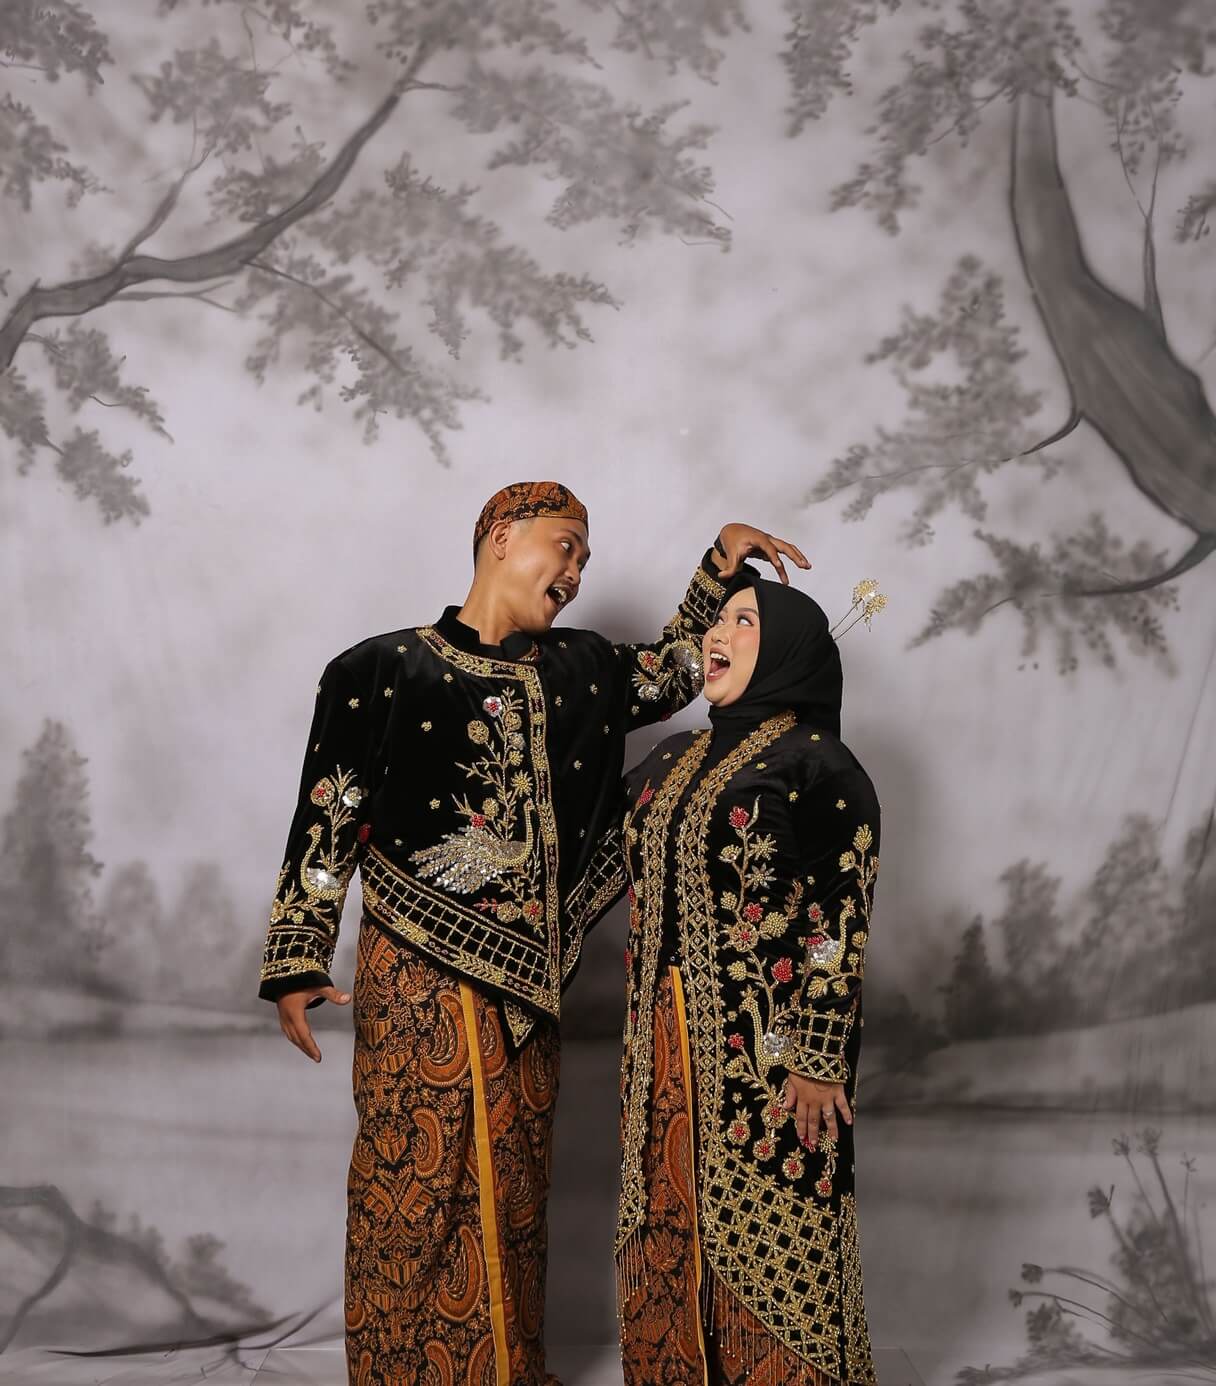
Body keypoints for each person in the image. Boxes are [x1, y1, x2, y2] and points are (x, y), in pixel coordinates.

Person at [257, 480, 809, 1386]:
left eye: (586, 558)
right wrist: (297, 955)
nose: (577, 571)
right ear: (503, 537)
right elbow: (330, 811)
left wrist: (719, 565)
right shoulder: (377, 669)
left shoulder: (582, 667)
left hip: (530, 986)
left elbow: (677, 669)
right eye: (566, 545)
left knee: (513, 1190)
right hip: (416, 966)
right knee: (411, 1185)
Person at [616, 576, 881, 1385]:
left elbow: (842, 916)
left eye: (744, 620)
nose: (717, 635)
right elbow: (591, 868)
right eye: (719, 619)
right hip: (660, 1050)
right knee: (666, 1213)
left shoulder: (819, 762)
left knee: (774, 1229)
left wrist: (819, 1056)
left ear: (792, 651)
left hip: (767, 1061)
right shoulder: (670, 758)